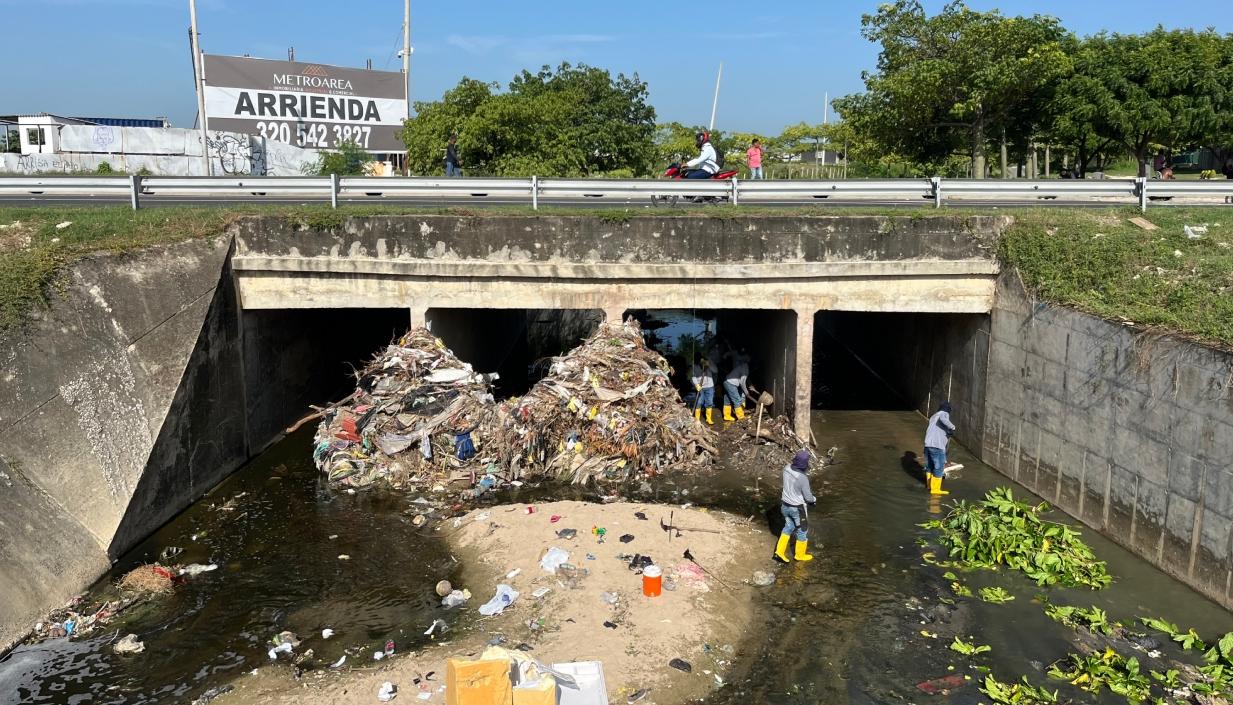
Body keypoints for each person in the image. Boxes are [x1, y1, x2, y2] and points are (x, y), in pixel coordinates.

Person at [774, 449, 816, 563]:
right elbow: (808, 498)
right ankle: (800, 555)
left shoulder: (786, 468)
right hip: (797, 508)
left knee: (788, 527)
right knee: (802, 530)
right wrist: (814, 500)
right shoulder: (803, 478)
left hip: (785, 505)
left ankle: (779, 552)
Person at [923, 401, 957, 496]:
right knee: (939, 468)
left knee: (929, 466)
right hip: (937, 446)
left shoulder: (933, 416)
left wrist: (947, 431)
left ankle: (929, 485)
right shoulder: (943, 413)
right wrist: (952, 427)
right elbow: (943, 418)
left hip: (928, 445)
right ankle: (935, 490)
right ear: (948, 410)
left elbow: (937, 429)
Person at [722, 351, 750, 422]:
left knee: (727, 400)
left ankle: (727, 416)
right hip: (730, 383)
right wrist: (746, 392)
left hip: (726, 381)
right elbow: (742, 382)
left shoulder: (742, 366)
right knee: (737, 400)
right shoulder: (745, 368)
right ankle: (741, 417)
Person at [690, 357, 716, 425]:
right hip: (700, 387)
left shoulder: (708, 363)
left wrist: (709, 365)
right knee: (699, 402)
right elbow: (693, 377)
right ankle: (697, 419)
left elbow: (715, 371)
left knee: (709, 402)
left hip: (710, 386)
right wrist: (696, 385)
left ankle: (708, 419)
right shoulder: (694, 366)